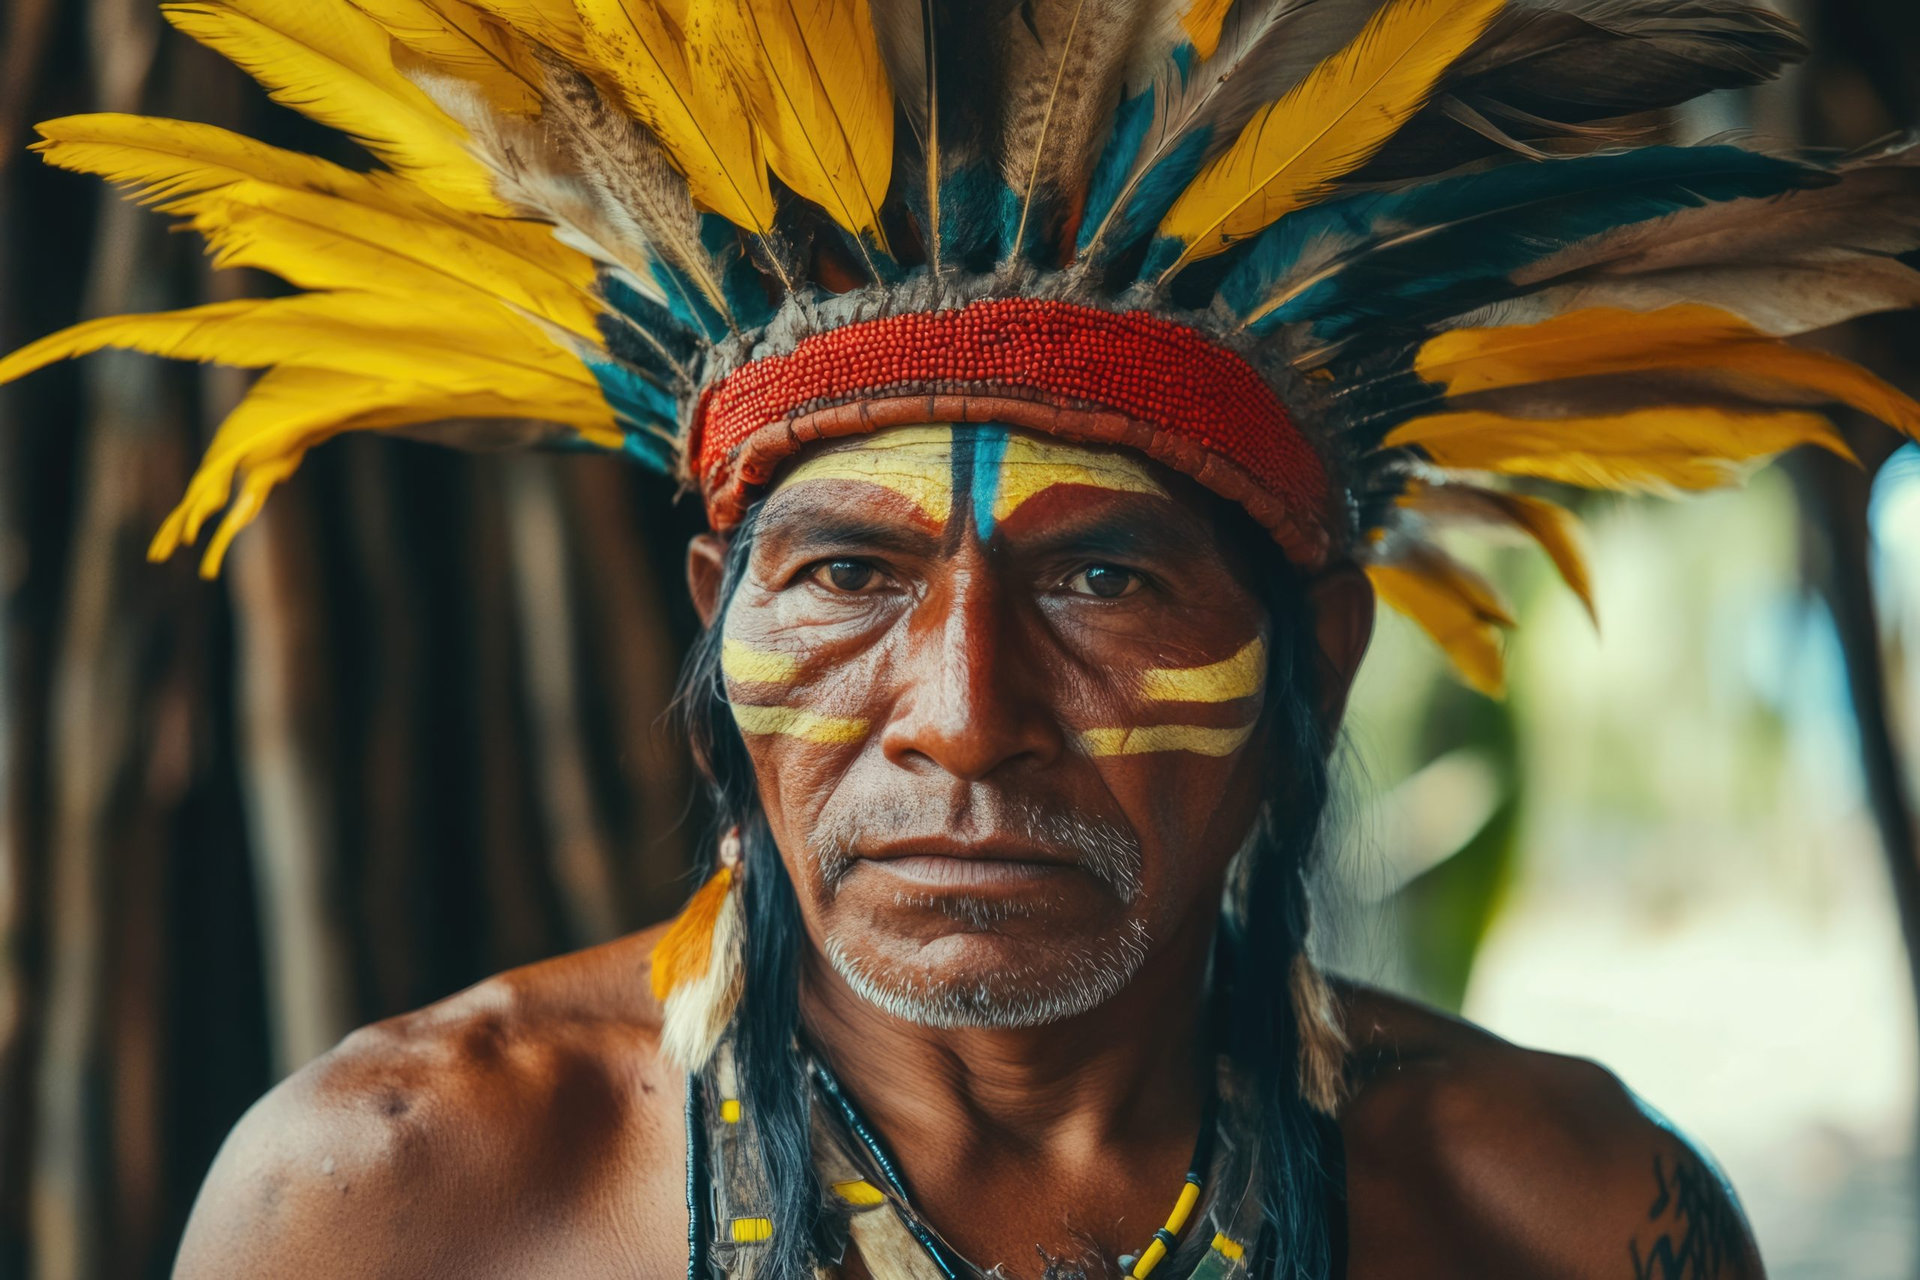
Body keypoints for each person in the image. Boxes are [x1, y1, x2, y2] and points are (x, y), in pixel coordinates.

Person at [4, 0, 1915, 1276]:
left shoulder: (1564, 1213)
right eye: (847, 577)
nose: (965, 717)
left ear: (1317, 658)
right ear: (718, 623)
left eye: (1106, 582)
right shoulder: (394, 1197)